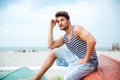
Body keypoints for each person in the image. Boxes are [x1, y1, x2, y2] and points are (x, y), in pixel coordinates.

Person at [29, 11, 98, 80]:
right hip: (77, 58)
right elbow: (51, 45)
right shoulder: (64, 37)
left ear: (68, 20)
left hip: (90, 62)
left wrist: (86, 59)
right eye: (58, 21)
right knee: (53, 52)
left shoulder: (76, 29)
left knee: (67, 78)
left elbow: (92, 41)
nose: (60, 23)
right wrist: (51, 27)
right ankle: (35, 78)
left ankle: (74, 67)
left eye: (62, 20)